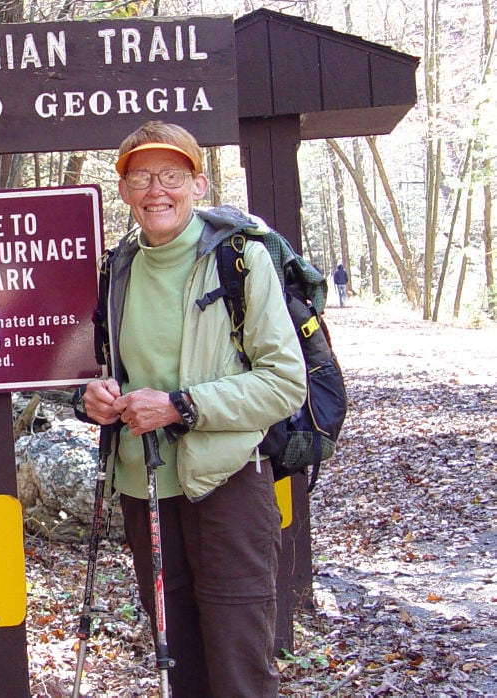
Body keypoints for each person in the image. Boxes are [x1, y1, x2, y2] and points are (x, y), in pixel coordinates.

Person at [73, 121, 307, 696]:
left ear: (199, 185)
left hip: (226, 483)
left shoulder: (240, 261)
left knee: (238, 664)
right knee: (178, 664)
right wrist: (94, 398)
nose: (157, 189)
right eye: (141, 176)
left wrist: (180, 406)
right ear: (124, 190)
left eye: (172, 175)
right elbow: (99, 369)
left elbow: (284, 384)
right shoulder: (116, 269)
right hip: (142, 485)